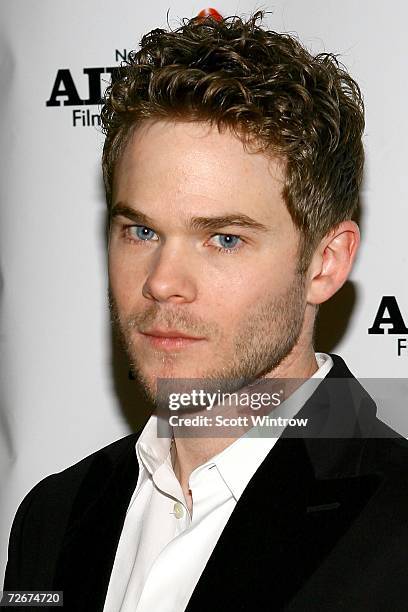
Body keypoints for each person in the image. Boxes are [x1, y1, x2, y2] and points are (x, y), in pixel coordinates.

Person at [4, 11, 408, 612]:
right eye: (140, 230)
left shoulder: (396, 528)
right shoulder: (54, 516)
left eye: (223, 238)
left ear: (325, 262)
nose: (163, 282)